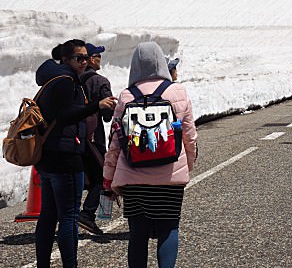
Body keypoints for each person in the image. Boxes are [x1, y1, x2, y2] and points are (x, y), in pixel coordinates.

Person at [103, 41, 197, 268]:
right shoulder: (178, 91)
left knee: (138, 233)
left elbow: (115, 142)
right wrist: (188, 164)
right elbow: (189, 136)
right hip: (170, 177)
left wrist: (108, 178)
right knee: (169, 228)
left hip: (134, 178)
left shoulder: (126, 96)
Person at [35, 39, 117, 268]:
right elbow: (65, 115)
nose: (84, 62)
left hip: (47, 156)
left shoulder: (52, 79)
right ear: (66, 59)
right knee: (68, 217)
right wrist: (96, 106)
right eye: (78, 58)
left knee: (49, 215)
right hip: (66, 157)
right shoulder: (67, 81)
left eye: (85, 57)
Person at [78, 43, 114, 236]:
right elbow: (107, 114)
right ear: (92, 59)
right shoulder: (100, 82)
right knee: (101, 175)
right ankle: (88, 215)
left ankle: (71, 215)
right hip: (93, 136)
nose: (100, 59)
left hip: (74, 134)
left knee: (80, 176)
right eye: (98, 56)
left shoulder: (73, 79)